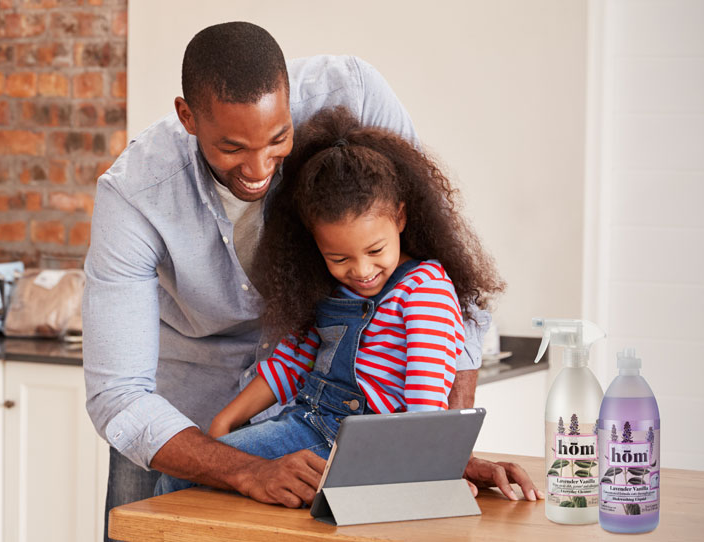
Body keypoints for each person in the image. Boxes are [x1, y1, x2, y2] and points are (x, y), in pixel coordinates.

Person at [82, 21, 538, 535]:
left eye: (278, 140)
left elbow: (449, 268)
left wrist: (437, 455)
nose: (259, 168)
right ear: (187, 116)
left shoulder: (354, 94)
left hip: (344, 430)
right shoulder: (134, 193)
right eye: (232, 148)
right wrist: (242, 466)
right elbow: (118, 394)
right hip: (184, 405)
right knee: (159, 519)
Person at [154, 105, 505, 495]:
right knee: (190, 475)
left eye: (376, 250)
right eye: (338, 258)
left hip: (365, 446)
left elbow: (425, 398)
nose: (361, 270)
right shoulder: (330, 291)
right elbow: (289, 363)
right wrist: (223, 423)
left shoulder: (424, 290)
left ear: (400, 219)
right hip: (308, 425)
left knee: (180, 482)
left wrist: (428, 470)